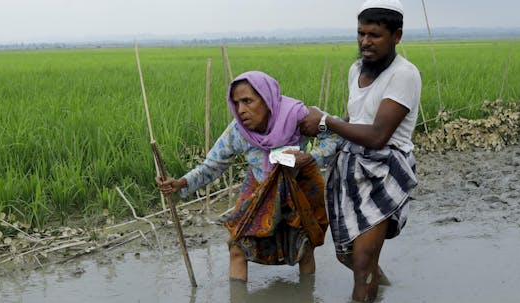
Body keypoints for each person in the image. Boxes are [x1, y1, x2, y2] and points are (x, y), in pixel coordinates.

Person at [156, 71, 339, 281]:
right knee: (237, 248)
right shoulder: (238, 131)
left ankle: (307, 292)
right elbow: (212, 165)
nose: (241, 110)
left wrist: (311, 157)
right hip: (258, 191)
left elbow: (335, 132)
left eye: (247, 101)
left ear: (267, 99)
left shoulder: (298, 116)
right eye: (237, 104)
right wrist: (181, 183)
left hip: (296, 190)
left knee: (303, 249)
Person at [298, 0, 421, 301]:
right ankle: (378, 291)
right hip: (351, 167)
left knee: (363, 260)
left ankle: (366, 289)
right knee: (349, 256)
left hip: (384, 169)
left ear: (397, 36)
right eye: (361, 33)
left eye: (375, 35)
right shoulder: (357, 69)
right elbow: (356, 121)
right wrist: (323, 130)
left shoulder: (403, 74)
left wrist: (325, 121)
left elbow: (378, 135)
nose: (365, 42)